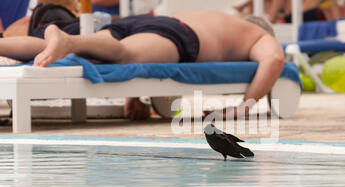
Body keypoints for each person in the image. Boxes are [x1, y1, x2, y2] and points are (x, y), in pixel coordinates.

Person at [0, 11, 285, 120]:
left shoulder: (219, 17)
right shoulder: (258, 33)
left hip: (146, 21)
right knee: (126, 55)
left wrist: (134, 93)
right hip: (181, 35)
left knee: (96, 50)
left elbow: (148, 47)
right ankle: (67, 40)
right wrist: (244, 107)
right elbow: (274, 59)